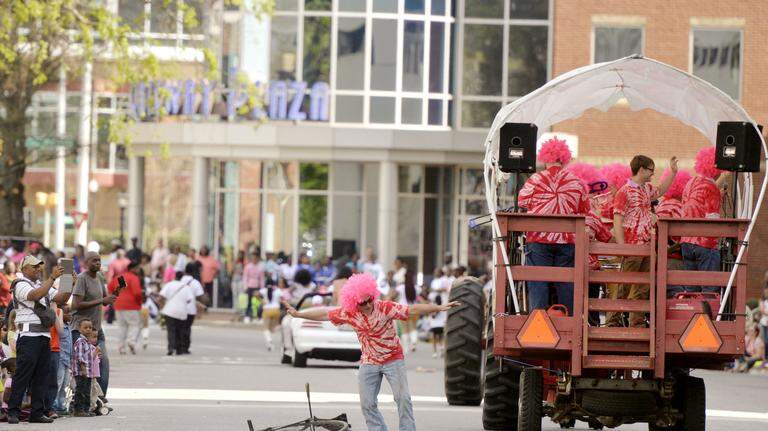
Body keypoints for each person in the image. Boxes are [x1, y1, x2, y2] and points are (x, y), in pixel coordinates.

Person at [283, 273, 459, 431]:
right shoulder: (350, 313)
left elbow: (412, 309)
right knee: (367, 404)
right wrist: (299, 314)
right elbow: (324, 314)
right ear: (354, 302)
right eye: (362, 303)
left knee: (403, 399)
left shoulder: (384, 308)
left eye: (369, 300)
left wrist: (438, 307)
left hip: (393, 358)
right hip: (369, 361)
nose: (367, 305)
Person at [517, 137, 590, 314]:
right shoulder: (576, 182)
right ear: (564, 158)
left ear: (544, 157)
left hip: (539, 238)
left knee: (538, 281)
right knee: (566, 283)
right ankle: (568, 321)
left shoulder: (535, 180)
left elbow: (522, 202)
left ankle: (538, 322)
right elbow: (584, 209)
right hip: (567, 240)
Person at [608, 155, 679, 328]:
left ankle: (636, 323)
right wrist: (622, 247)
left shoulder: (646, 189)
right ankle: (612, 321)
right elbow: (617, 220)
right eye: (650, 170)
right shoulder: (624, 192)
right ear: (641, 169)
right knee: (623, 287)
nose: (652, 174)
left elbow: (661, 190)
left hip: (647, 246)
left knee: (642, 288)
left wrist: (672, 172)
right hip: (632, 247)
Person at [6, 255, 66, 424]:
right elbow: (34, 295)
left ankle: (37, 413)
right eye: (34, 266)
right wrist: (53, 277)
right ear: (24, 269)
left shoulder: (43, 285)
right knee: (23, 375)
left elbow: (61, 298)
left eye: (40, 266)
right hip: (28, 336)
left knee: (42, 376)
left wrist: (69, 282)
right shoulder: (20, 284)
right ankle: (13, 412)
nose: (38, 269)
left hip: (44, 335)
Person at [680, 146, 731, 293]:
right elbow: (712, 219)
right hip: (705, 244)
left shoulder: (690, 183)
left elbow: (695, 205)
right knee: (709, 290)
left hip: (686, 242)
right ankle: (708, 316)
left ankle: (690, 315)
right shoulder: (711, 188)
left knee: (691, 291)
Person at [71, 252, 113, 399]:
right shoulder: (82, 279)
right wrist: (101, 300)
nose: (98, 263)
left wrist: (114, 294)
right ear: (86, 262)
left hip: (96, 329)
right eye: (94, 260)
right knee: (86, 367)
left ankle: (100, 398)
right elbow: (76, 305)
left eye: (99, 261)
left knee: (103, 362)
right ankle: (84, 400)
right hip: (81, 330)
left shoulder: (100, 277)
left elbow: (105, 300)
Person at [655, 168, 693, 298]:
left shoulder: (663, 204)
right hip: (673, 258)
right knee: (676, 297)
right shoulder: (678, 206)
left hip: (665, 256)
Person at [107, 260, 144, 355]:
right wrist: (140, 302)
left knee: (122, 327)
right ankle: (131, 341)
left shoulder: (120, 277)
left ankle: (121, 347)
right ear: (133, 268)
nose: (139, 270)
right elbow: (137, 293)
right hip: (132, 306)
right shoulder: (134, 278)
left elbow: (110, 288)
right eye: (138, 268)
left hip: (118, 305)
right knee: (135, 325)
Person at [155, 276, 194, 356]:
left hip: (169, 311)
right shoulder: (186, 287)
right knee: (180, 331)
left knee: (171, 331)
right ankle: (179, 349)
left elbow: (161, 297)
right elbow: (189, 300)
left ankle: (171, 348)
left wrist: (161, 306)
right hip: (181, 312)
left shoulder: (169, 284)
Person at [389, 264, 420, 352]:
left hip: (403, 310)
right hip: (414, 309)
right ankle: (413, 343)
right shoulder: (416, 288)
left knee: (405, 329)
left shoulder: (401, 287)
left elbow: (392, 296)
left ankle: (406, 348)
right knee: (413, 327)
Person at [71, 318, 97, 417]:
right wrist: (83, 369)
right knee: (80, 391)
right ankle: (78, 410)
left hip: (88, 372)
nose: (88, 329)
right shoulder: (80, 341)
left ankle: (86, 410)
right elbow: (79, 356)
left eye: (90, 327)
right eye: (85, 327)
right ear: (80, 329)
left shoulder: (87, 342)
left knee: (87, 391)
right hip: (81, 372)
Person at [179, 264, 206, 355]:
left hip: (179, 308)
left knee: (179, 327)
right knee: (187, 328)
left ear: (185, 270)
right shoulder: (195, 282)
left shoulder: (179, 280)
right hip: (190, 309)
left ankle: (178, 346)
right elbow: (201, 296)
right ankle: (185, 347)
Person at [52, 305, 72, 416]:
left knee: (65, 383)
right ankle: (53, 405)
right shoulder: (59, 327)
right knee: (57, 382)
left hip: (67, 360)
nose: (70, 315)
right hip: (60, 358)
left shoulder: (69, 326)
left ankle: (61, 405)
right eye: (67, 312)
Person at [242, 252, 265, 323]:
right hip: (250, 286)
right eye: (253, 258)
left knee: (258, 303)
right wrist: (245, 286)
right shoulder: (248, 267)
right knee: (249, 302)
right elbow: (245, 277)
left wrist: (262, 289)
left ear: (258, 259)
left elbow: (262, 279)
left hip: (257, 286)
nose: (254, 260)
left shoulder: (260, 268)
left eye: (256, 258)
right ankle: (247, 316)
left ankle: (259, 317)